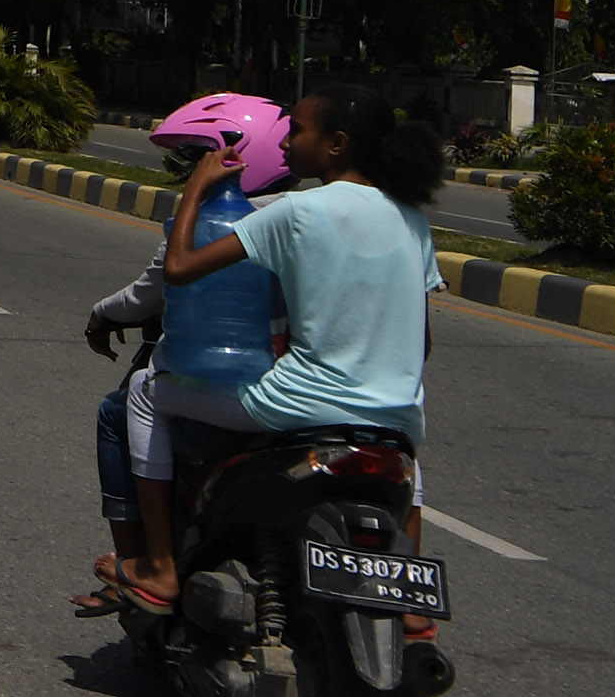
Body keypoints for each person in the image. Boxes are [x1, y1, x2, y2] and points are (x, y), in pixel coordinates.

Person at [105, 85, 445, 622]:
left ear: (336, 144)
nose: (286, 142)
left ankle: (161, 565)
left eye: (298, 131)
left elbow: (179, 269)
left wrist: (196, 187)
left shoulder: (295, 211)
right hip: (394, 421)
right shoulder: (413, 221)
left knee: (145, 394)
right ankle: (410, 610)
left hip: (295, 411)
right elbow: (421, 341)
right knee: (405, 462)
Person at [77, 94, 288, 609]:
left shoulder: (214, 222)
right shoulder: (305, 215)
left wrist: (102, 314)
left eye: (203, 154)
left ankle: (142, 567)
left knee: (119, 408)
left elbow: (149, 291)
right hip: (303, 387)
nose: (195, 165)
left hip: (237, 389)